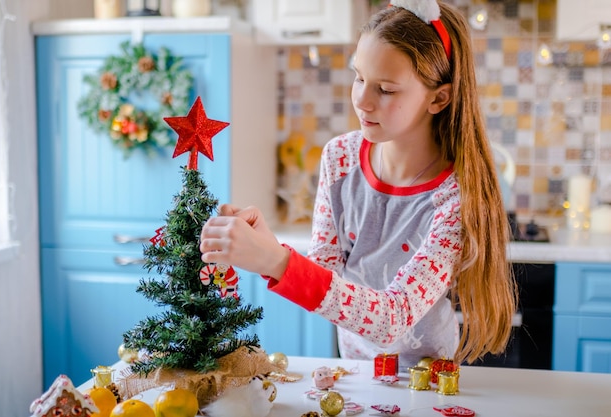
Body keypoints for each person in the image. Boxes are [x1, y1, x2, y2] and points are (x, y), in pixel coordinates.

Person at [200, 0, 517, 368]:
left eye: (385, 89)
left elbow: (392, 318)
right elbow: (326, 277)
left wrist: (275, 260)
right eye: (359, 77)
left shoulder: (455, 197)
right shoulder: (340, 158)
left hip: (427, 377)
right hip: (356, 368)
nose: (362, 100)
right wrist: (270, 249)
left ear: (438, 97)